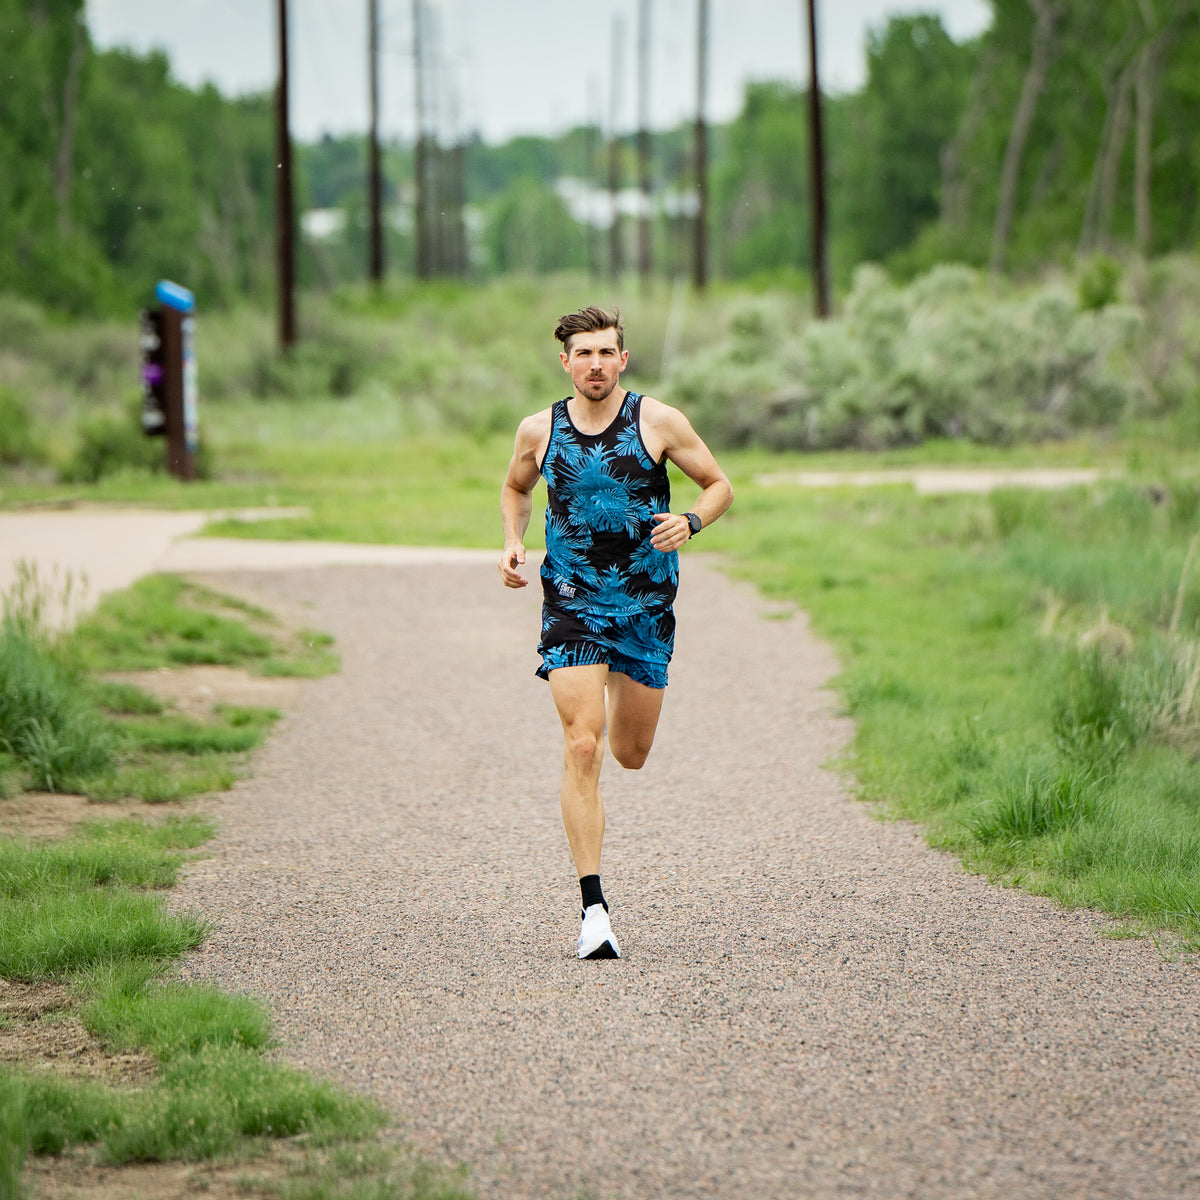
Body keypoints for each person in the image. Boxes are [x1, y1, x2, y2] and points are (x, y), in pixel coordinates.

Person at [498, 305, 733, 959]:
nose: (595, 364)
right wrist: (514, 541)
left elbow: (719, 485)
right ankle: (593, 913)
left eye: (607, 353)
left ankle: (610, 705)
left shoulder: (657, 422)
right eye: (584, 354)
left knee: (630, 753)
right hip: (571, 602)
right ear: (566, 362)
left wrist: (690, 520)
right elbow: (516, 489)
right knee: (582, 747)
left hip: (644, 605)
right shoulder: (538, 429)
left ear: (621, 360)